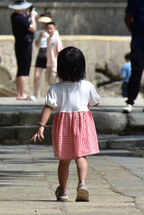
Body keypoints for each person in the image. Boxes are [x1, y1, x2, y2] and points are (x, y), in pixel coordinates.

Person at [32, 47, 100, 202]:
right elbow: (95, 102)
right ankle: (82, 184)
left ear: (60, 67)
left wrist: (41, 126)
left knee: (64, 160)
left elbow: (48, 107)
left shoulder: (56, 88)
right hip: (82, 123)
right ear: (82, 66)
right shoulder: (87, 86)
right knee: (81, 156)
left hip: (63, 125)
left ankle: (63, 190)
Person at [9, 0, 37, 100]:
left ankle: (20, 93)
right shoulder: (19, 18)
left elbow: (26, 26)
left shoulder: (16, 16)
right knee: (23, 70)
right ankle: (21, 94)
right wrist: (33, 17)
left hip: (21, 44)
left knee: (21, 69)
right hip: (24, 45)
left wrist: (28, 17)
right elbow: (33, 28)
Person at [33, 12, 53, 98]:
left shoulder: (52, 30)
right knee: (37, 74)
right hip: (42, 51)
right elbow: (36, 44)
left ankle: (53, 94)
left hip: (50, 52)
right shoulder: (39, 32)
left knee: (52, 74)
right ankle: (36, 93)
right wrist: (41, 36)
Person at [45, 21, 63, 85]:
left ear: (54, 29)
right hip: (49, 63)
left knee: (54, 80)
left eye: (51, 28)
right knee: (48, 80)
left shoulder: (56, 38)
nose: (49, 30)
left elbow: (59, 51)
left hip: (55, 63)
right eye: (48, 28)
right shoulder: (48, 39)